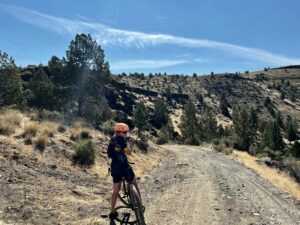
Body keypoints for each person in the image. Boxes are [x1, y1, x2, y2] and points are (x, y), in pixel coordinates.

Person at [107, 123, 140, 219]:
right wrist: (130, 148)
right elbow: (128, 153)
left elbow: (110, 154)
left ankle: (112, 211)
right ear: (120, 132)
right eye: (125, 132)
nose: (126, 134)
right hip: (124, 167)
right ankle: (139, 205)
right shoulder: (121, 140)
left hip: (115, 168)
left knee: (115, 191)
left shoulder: (112, 140)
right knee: (134, 183)